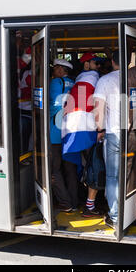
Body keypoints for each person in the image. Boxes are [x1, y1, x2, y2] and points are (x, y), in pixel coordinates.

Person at [62, 52, 101, 218]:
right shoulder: (92, 77)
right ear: (87, 64)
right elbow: (94, 103)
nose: (98, 66)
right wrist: (99, 128)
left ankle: (79, 200)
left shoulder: (79, 79)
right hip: (85, 125)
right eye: (95, 63)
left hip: (72, 125)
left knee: (83, 164)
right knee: (92, 165)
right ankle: (90, 204)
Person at [93, 51, 121, 229]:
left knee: (112, 177)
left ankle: (116, 216)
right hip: (134, 134)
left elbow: (98, 109)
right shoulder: (134, 77)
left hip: (113, 133)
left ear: (112, 61)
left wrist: (100, 129)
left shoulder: (104, 80)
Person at [49, 59, 78, 212]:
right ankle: (74, 200)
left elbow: (54, 106)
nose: (53, 71)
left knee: (55, 169)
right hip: (70, 131)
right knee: (70, 168)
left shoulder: (55, 82)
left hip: (55, 131)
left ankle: (65, 203)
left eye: (55, 68)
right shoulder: (73, 83)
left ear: (61, 69)